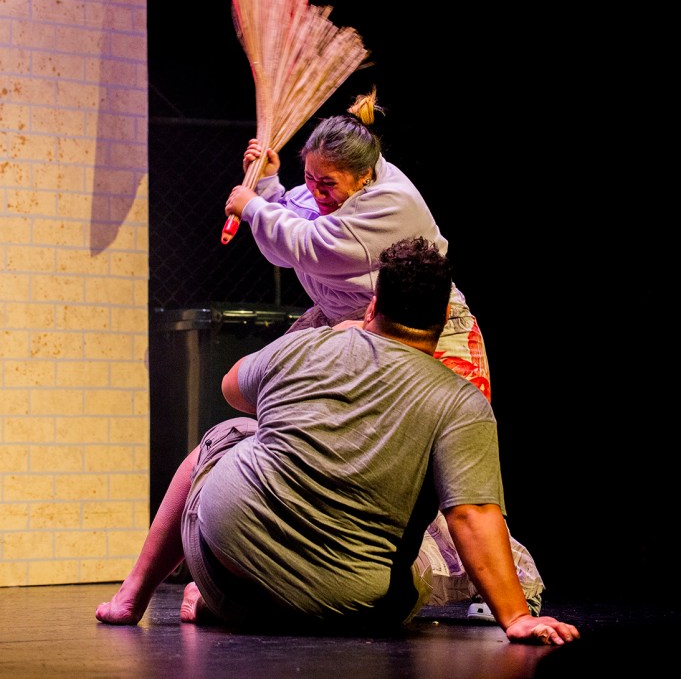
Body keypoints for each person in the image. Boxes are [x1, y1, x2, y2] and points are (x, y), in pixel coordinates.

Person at [96, 237, 579, 646]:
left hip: (225, 577)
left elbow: (231, 389)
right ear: (443, 320)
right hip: (353, 614)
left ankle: (130, 598)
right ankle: (229, 605)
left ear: (372, 305)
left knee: (224, 436)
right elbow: (471, 514)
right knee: (430, 544)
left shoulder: (310, 344)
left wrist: (328, 344)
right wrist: (516, 618)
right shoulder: (460, 401)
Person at [224, 88, 543, 616]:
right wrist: (268, 185)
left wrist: (252, 204)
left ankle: (512, 590)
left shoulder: (391, 203)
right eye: (310, 178)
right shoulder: (335, 191)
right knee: (309, 435)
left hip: (421, 331)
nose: (316, 191)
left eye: (328, 183)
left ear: (364, 177)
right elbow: (292, 224)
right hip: (352, 327)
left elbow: (307, 245)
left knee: (441, 468)